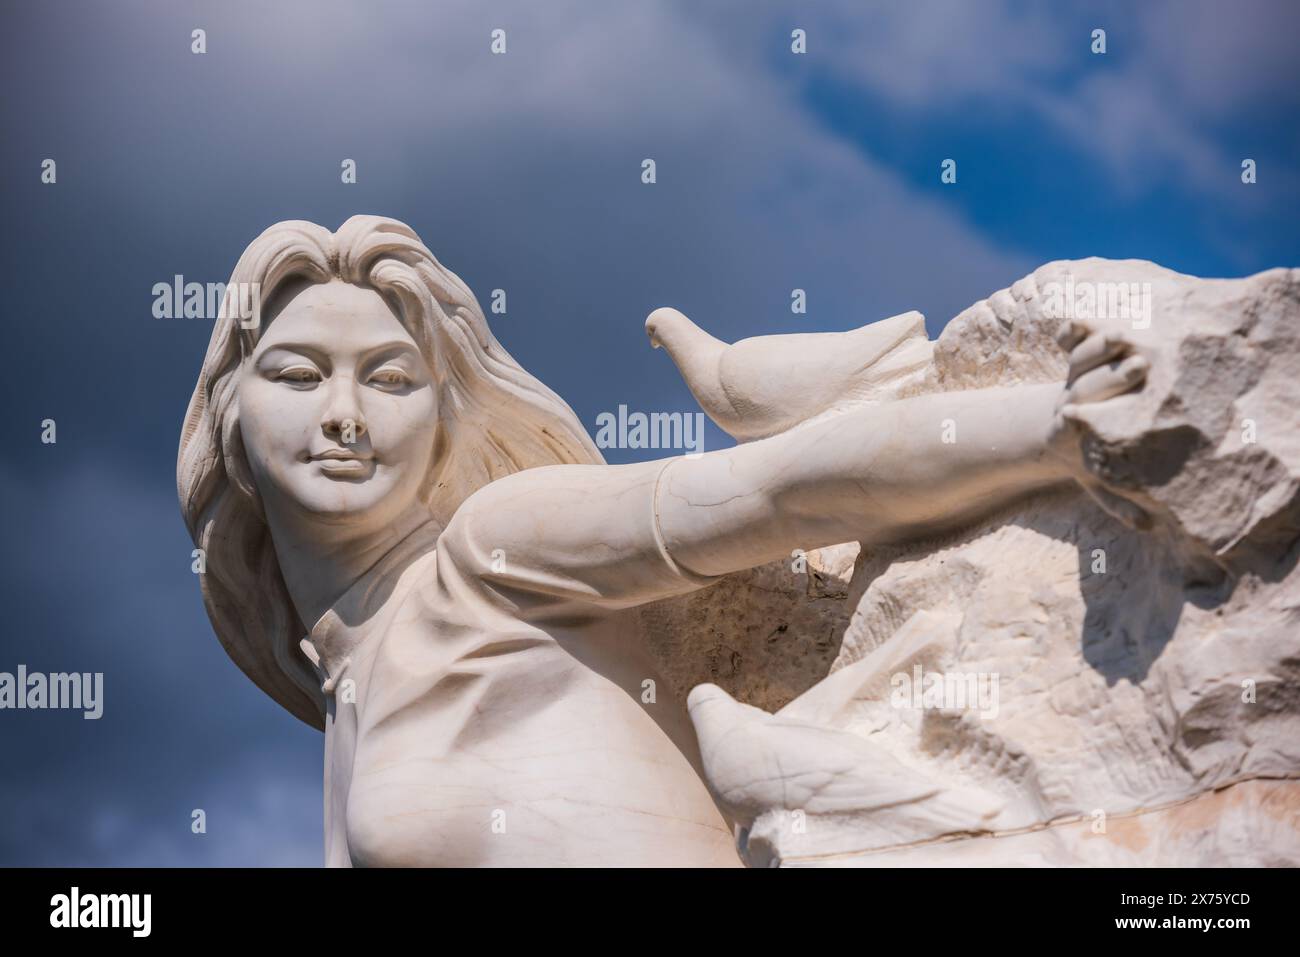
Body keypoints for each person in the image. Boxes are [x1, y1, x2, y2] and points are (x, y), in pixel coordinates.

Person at [178, 215, 1149, 866]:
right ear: (228, 417)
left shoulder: (492, 555)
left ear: (443, 419)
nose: (344, 415)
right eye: (299, 376)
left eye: (389, 381)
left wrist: (1059, 428)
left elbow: (786, 489)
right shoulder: (340, 691)